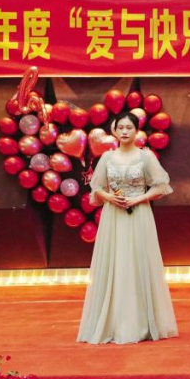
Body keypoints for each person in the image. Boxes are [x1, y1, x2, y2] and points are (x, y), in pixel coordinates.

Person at [77, 111, 178, 344]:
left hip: (139, 215)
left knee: (137, 261)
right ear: (114, 131)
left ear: (136, 131)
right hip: (113, 216)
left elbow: (161, 186)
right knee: (115, 263)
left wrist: (138, 199)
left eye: (129, 128)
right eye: (120, 127)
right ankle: (112, 322)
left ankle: (142, 322)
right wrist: (110, 197)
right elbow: (96, 188)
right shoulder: (107, 157)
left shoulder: (146, 156)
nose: (124, 132)